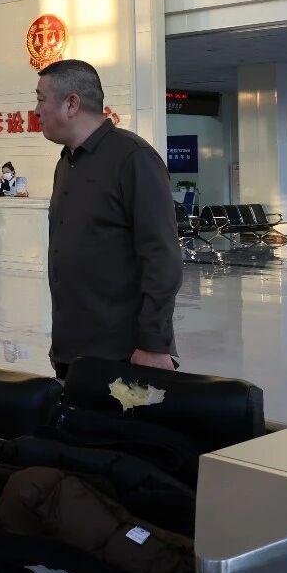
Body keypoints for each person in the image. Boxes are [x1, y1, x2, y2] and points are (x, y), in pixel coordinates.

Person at [35, 59, 180, 379]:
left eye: (41, 99)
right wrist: (62, 342)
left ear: (72, 104)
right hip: (73, 348)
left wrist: (153, 343)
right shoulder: (66, 163)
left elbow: (162, 256)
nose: (36, 111)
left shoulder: (133, 158)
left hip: (122, 353)